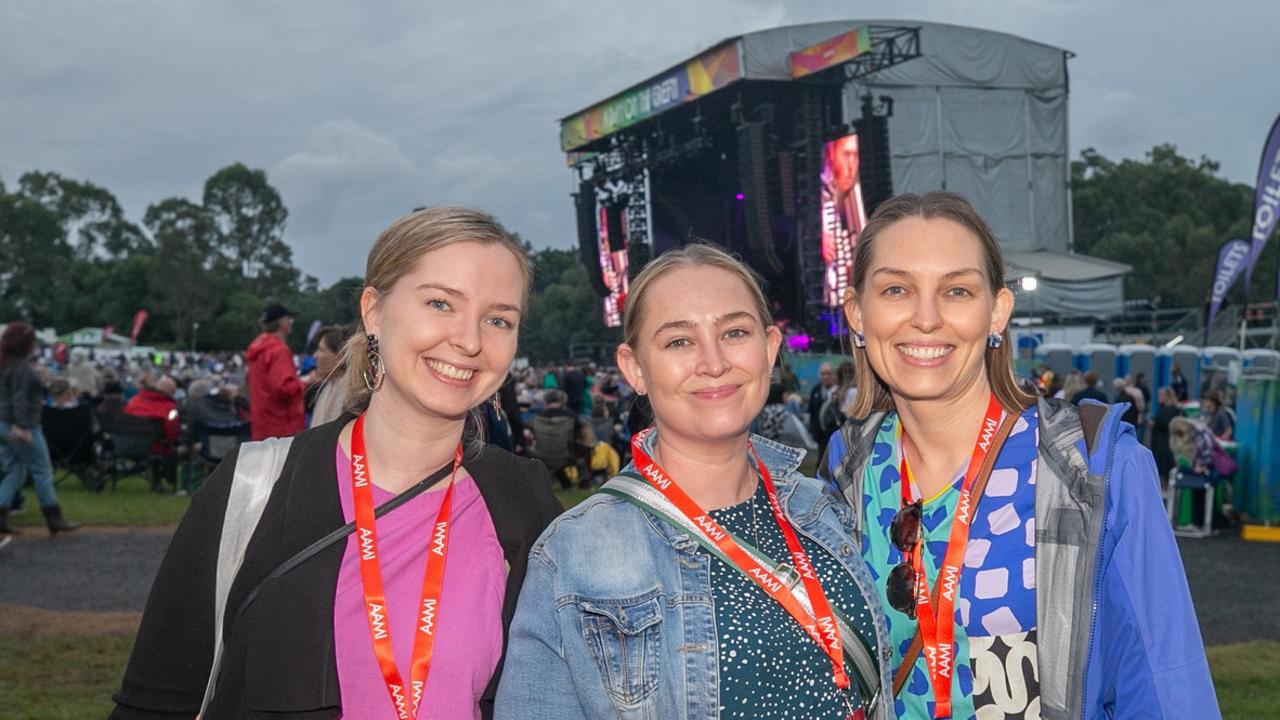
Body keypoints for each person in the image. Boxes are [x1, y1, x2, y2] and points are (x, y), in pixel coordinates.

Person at [112, 207, 563, 720]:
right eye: (440, 303)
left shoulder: (525, 502)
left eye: (499, 319)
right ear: (373, 310)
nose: (470, 340)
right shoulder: (253, 487)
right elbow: (155, 704)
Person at [824, 192, 1218, 719]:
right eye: (896, 289)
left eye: (957, 291)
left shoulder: (1094, 468)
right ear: (857, 312)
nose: (925, 318)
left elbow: (1166, 692)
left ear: (997, 312)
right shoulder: (847, 469)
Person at [497, 244, 892, 720]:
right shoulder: (574, 554)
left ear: (769, 350)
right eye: (679, 341)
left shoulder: (826, 509)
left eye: (734, 332)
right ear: (635, 368)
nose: (713, 361)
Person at [0, 322, 80, 535]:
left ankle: (1, 515)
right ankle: (54, 517)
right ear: (27, 343)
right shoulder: (23, 368)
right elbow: (20, 399)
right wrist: (23, 426)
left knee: (14, 470)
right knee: (42, 470)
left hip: (3, 424)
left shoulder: (6, 364)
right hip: (22, 426)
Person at [246, 303, 310, 440]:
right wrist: (308, 381)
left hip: (262, 425)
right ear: (282, 322)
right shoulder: (278, 350)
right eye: (289, 319)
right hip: (281, 428)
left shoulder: (257, 348)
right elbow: (284, 389)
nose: (291, 322)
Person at [123, 374, 183, 492]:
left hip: (128, 443)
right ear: (170, 392)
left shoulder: (135, 400)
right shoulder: (169, 407)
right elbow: (172, 431)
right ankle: (164, 479)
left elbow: (125, 418)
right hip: (155, 447)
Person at [308, 325, 351, 427]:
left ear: (339, 357)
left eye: (321, 350)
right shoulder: (328, 386)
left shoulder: (350, 393)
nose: (315, 355)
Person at [757, 382, 818, 451]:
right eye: (786, 394)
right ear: (780, 396)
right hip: (779, 448)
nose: (788, 397)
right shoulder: (784, 413)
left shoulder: (763, 410)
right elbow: (799, 432)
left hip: (764, 446)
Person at [1150, 386, 1181, 481]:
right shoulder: (1164, 408)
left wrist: (1155, 423)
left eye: (1161, 395)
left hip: (1164, 442)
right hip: (1160, 441)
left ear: (1167, 396)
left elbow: (1167, 424)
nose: (1158, 397)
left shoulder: (1169, 409)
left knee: (1164, 466)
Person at [808, 361, 837, 456]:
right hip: (820, 434)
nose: (825, 377)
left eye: (828, 374)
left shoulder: (840, 391)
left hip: (835, 433)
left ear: (834, 375)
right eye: (823, 374)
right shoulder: (815, 390)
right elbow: (811, 411)